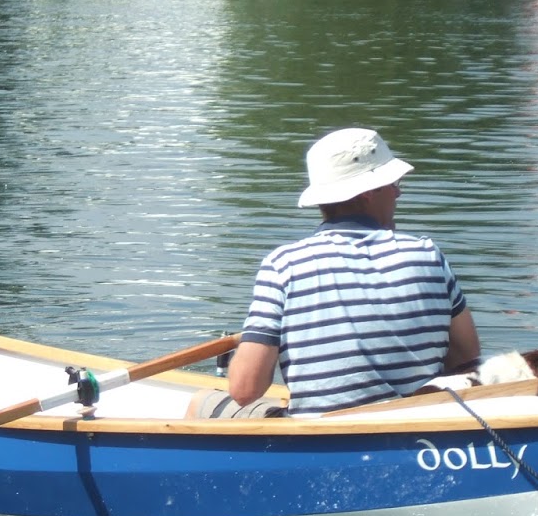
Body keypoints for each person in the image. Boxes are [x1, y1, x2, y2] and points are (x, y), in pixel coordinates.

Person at [202, 128, 480, 418]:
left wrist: (253, 341)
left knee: (202, 401)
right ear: (370, 192)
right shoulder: (428, 254)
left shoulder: (283, 265)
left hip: (321, 436)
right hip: (417, 427)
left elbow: (245, 390)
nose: (399, 192)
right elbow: (466, 359)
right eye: (393, 183)